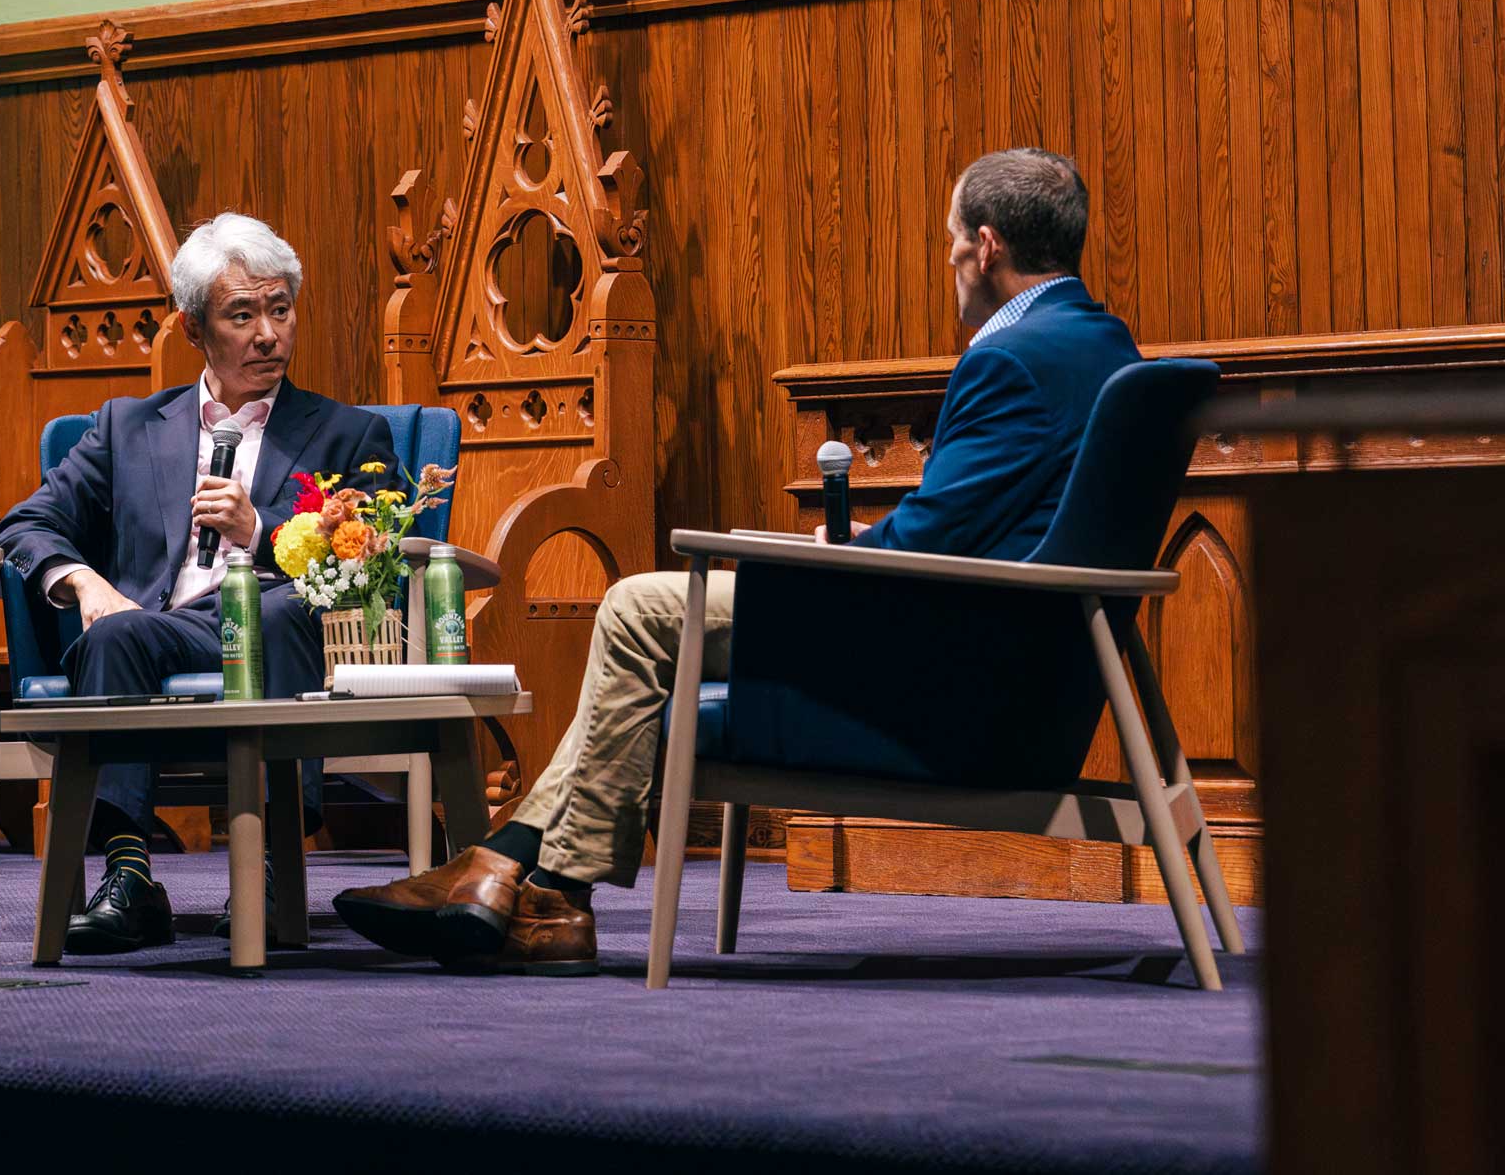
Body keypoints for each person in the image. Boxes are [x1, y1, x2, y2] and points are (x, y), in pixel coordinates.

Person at [334, 147, 1143, 975]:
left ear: (986, 244)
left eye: (948, 241)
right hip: (1012, 651)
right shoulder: (1104, 344)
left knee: (642, 606)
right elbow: (975, 522)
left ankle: (545, 884)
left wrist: (835, 557)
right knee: (650, 650)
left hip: (947, 665)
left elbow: (931, 544)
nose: (946, 260)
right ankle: (515, 876)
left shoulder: (1011, 358)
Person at [0, 212, 395, 954]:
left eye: (280, 309)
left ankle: (274, 868)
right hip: (169, 627)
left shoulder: (349, 433)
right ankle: (130, 876)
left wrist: (262, 530)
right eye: (242, 315)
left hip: (281, 621)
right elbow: (26, 523)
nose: (268, 334)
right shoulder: (127, 427)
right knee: (113, 631)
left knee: (278, 615)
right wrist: (84, 582)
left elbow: (373, 560)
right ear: (194, 329)